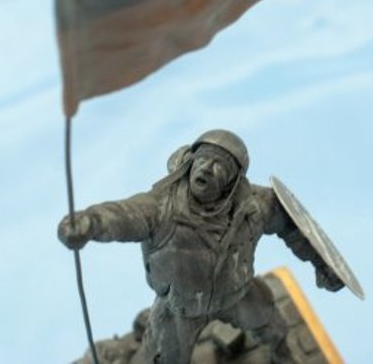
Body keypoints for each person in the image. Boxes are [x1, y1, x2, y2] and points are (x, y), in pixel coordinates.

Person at [57, 129, 344, 363]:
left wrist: (323, 265)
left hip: (237, 294)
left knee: (273, 325)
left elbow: (295, 230)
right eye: (203, 158)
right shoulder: (160, 207)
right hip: (179, 310)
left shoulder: (255, 206)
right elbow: (121, 215)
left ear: (232, 181)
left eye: (220, 165)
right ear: (190, 161)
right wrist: (88, 223)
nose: (207, 168)